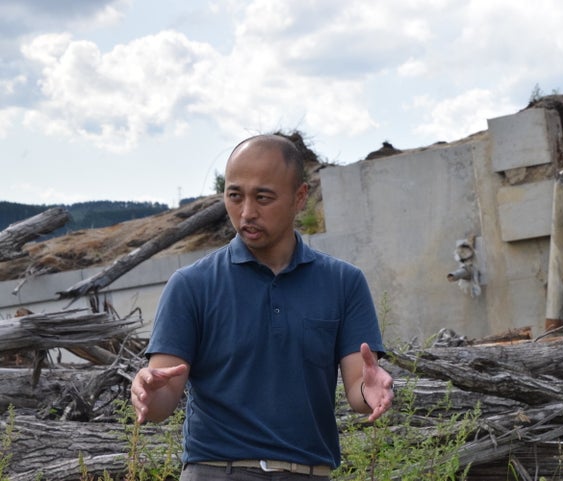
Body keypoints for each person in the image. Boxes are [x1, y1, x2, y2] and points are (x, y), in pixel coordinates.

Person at [131, 134, 394, 480]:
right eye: (234, 195)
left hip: (308, 472)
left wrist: (370, 390)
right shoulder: (191, 285)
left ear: (300, 197)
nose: (247, 212)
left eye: (263, 198)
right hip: (215, 471)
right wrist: (150, 392)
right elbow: (164, 397)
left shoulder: (344, 283)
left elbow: (359, 387)